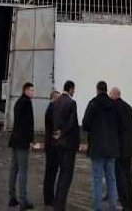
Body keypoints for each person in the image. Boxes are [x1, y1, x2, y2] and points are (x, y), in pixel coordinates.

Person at [83, 80, 121, 211]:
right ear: (106, 89)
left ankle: (98, 208)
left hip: (97, 148)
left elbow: (86, 125)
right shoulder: (114, 105)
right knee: (111, 179)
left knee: (97, 179)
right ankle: (112, 207)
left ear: (97, 89)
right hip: (111, 148)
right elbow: (119, 125)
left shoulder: (92, 104)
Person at [52, 80, 79, 211]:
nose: (74, 92)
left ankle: (57, 201)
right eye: (73, 89)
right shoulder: (71, 103)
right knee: (66, 175)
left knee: (61, 173)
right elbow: (72, 123)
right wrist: (63, 133)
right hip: (68, 144)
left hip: (58, 143)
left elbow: (54, 120)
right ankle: (60, 205)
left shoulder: (56, 102)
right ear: (70, 89)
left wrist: (57, 133)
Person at [8, 81, 35, 210]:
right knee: (23, 170)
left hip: (15, 139)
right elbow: (28, 124)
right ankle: (23, 200)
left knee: (14, 168)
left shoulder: (18, 102)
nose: (33, 93)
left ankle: (12, 197)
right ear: (25, 90)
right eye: (31, 90)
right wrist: (30, 140)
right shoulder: (27, 103)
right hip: (22, 141)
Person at [110, 87, 132, 211]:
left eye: (110, 95)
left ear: (115, 95)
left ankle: (125, 203)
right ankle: (130, 204)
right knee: (128, 176)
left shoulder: (113, 108)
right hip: (128, 148)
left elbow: (115, 128)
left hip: (118, 148)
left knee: (120, 177)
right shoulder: (128, 107)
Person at [43, 89, 61, 207]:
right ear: (54, 98)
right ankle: (49, 198)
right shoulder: (52, 110)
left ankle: (48, 197)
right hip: (52, 146)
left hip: (49, 145)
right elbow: (55, 129)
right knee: (51, 173)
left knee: (50, 173)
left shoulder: (50, 109)